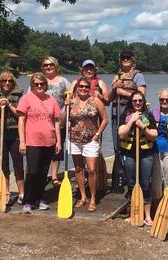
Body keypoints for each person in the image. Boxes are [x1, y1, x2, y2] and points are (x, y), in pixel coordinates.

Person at [17, 72, 61, 214]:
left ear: (45, 85)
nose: (40, 86)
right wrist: (22, 142)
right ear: (32, 85)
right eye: (36, 84)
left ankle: (40, 197)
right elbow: (21, 120)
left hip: (49, 141)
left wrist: (58, 141)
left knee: (43, 173)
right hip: (32, 141)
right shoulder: (26, 99)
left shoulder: (52, 100)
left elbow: (56, 121)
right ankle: (28, 201)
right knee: (32, 171)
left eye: (42, 84)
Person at [109, 50, 147, 193]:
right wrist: (114, 87)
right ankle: (119, 180)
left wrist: (123, 92)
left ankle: (132, 178)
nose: (125, 60)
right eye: (123, 58)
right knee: (117, 147)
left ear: (132, 60)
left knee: (130, 146)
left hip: (129, 115)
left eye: (128, 58)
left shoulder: (138, 76)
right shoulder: (116, 76)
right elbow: (109, 98)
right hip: (115, 115)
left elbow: (142, 95)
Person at [118, 91, 157, 225]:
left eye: (140, 100)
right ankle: (132, 213)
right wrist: (132, 121)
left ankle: (147, 216)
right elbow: (121, 134)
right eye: (135, 101)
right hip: (129, 154)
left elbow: (153, 135)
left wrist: (142, 126)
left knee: (145, 184)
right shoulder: (126, 115)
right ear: (131, 102)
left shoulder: (149, 115)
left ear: (143, 101)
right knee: (130, 183)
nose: (138, 103)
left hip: (146, 154)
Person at [69, 77, 108, 212]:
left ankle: (93, 199)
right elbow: (63, 119)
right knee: (79, 169)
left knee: (91, 169)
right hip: (74, 139)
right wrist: (66, 106)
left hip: (91, 139)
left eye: (86, 86)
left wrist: (98, 134)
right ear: (77, 88)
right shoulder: (71, 102)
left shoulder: (95, 101)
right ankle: (83, 196)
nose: (83, 89)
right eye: (81, 86)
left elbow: (105, 119)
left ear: (89, 88)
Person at [0, 71, 24, 205]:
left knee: (18, 163)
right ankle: (7, 192)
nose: (7, 83)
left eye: (9, 81)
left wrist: (9, 105)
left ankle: (21, 192)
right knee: (3, 164)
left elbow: (20, 114)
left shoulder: (19, 95)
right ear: (0, 82)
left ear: (13, 82)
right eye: (4, 81)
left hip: (15, 134)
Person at [41, 56, 70, 187]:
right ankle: (42, 173)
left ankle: (54, 176)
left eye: (51, 65)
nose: (48, 67)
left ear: (56, 66)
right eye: (46, 65)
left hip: (60, 120)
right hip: (42, 121)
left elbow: (72, 95)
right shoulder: (39, 80)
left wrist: (69, 103)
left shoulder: (63, 81)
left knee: (57, 148)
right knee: (42, 148)